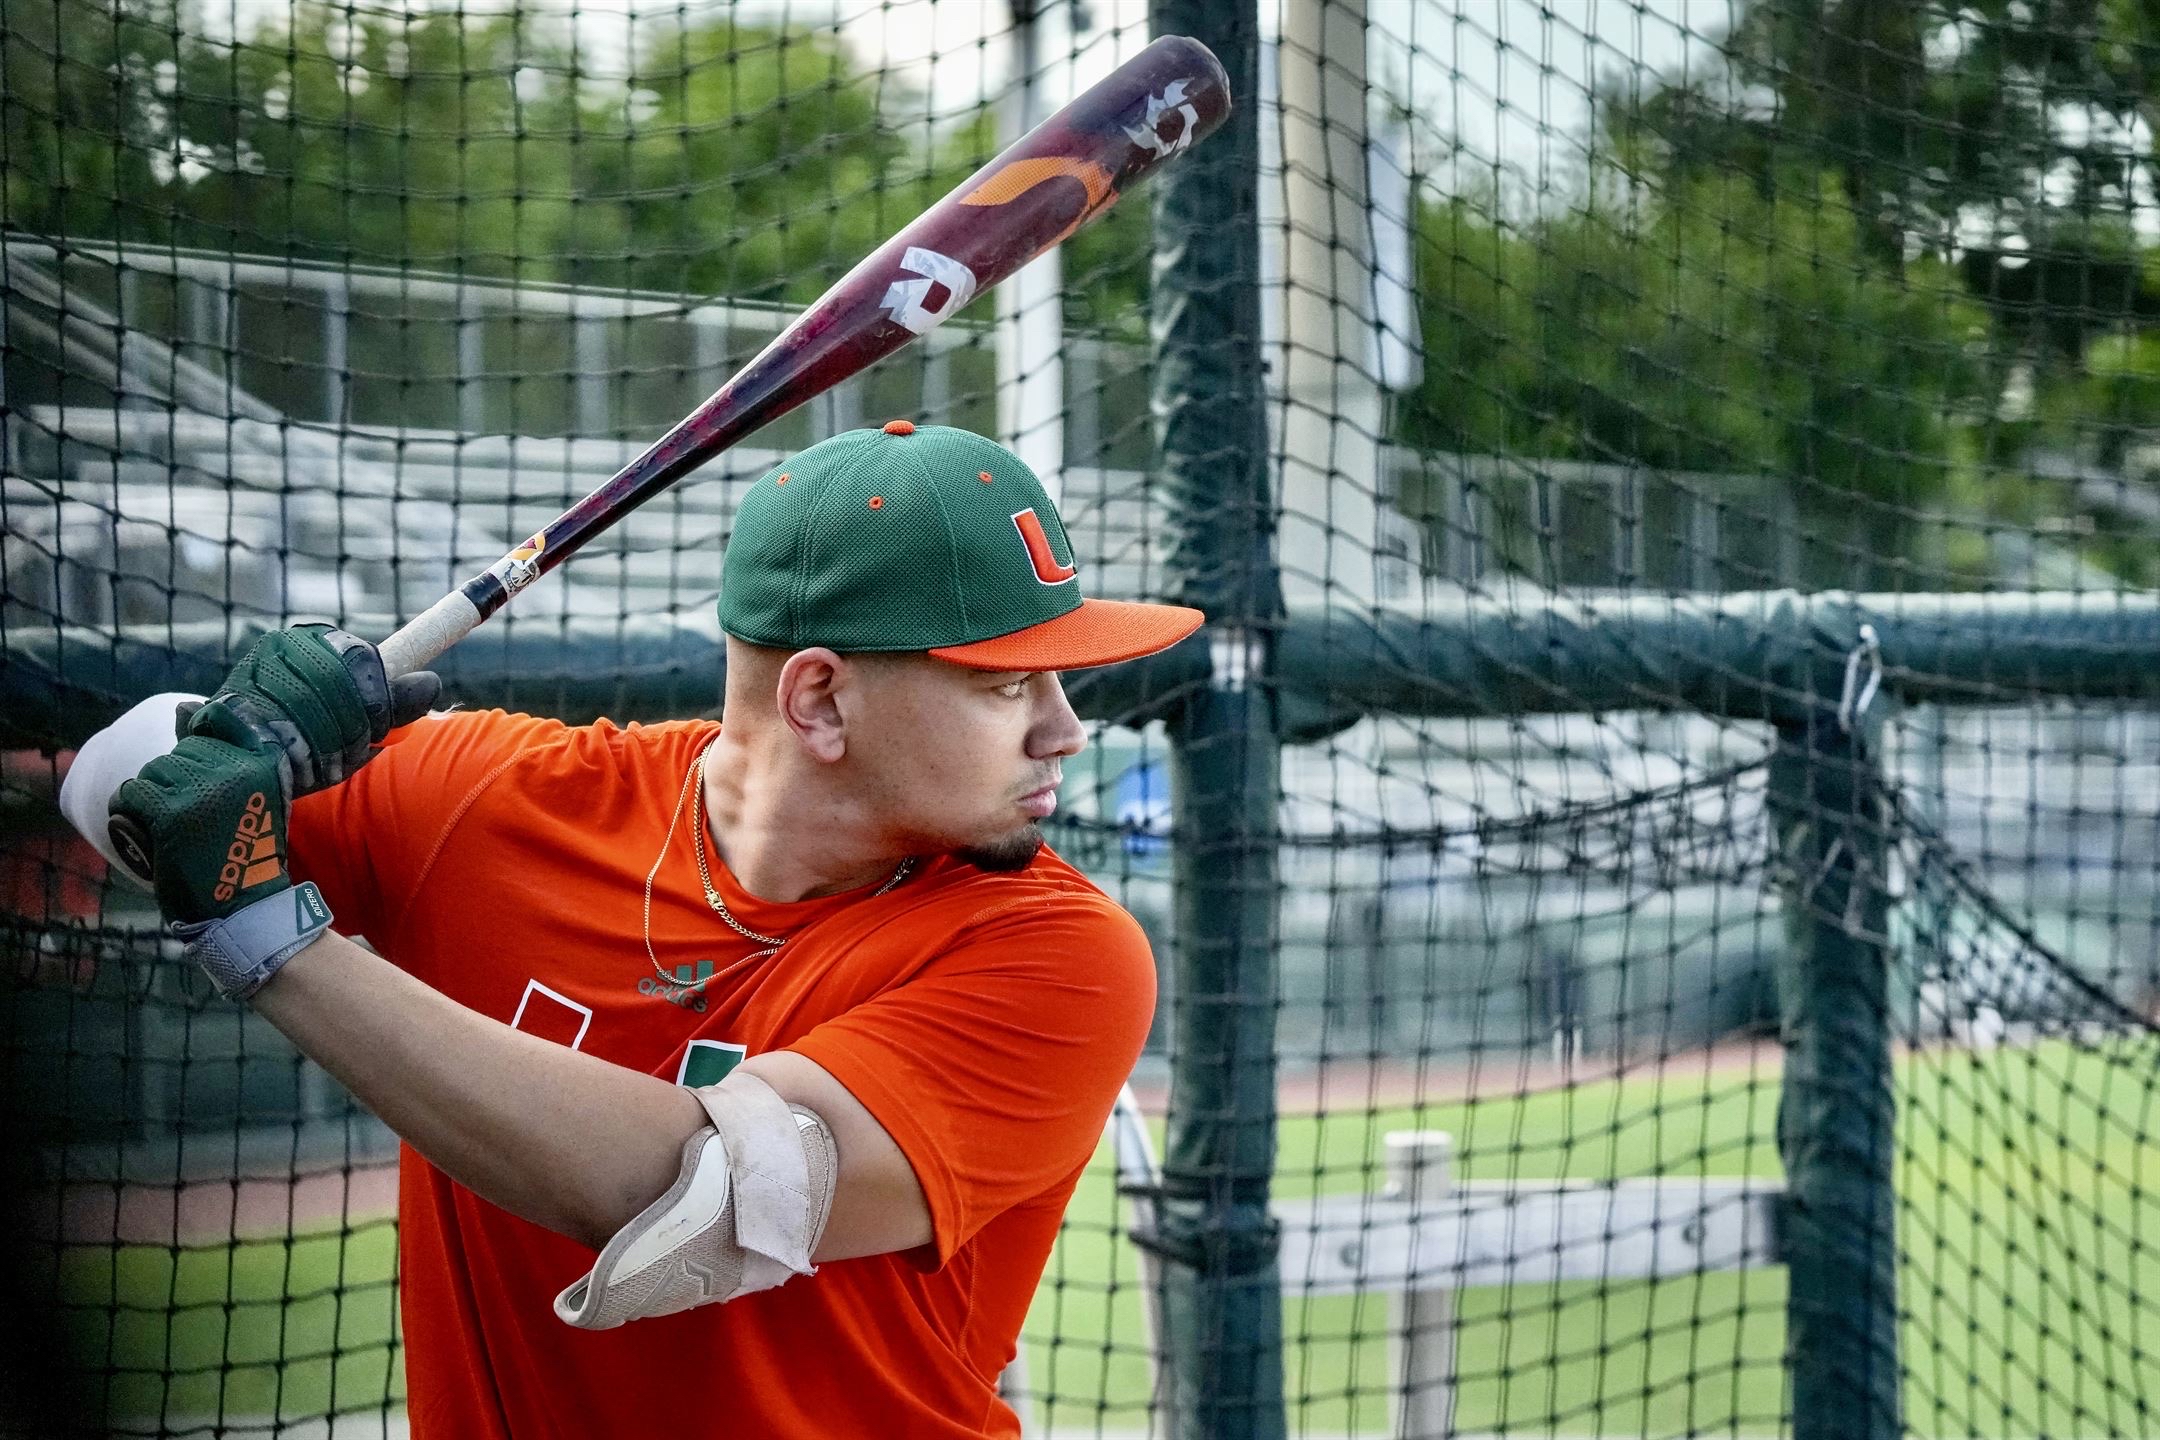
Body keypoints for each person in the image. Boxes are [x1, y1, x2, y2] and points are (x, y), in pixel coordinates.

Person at [75, 421, 1203, 1439]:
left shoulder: (1055, 952)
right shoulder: (501, 799)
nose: (1064, 728)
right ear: (817, 700)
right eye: (1008, 685)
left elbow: (705, 1198)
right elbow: (129, 791)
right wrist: (240, 733)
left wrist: (277, 942)